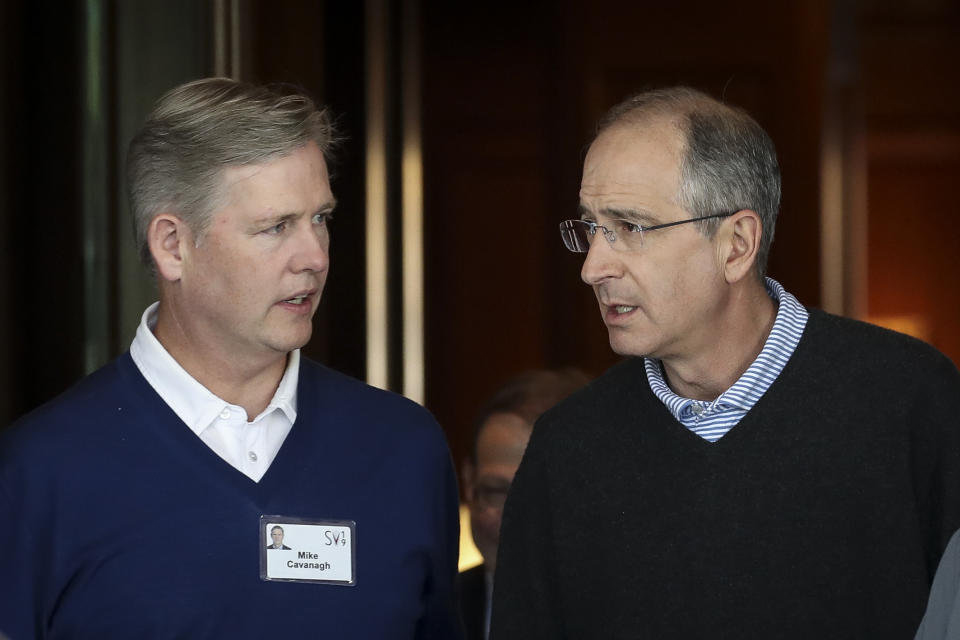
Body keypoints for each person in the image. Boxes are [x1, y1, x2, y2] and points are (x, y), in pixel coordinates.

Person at [490, 86, 960, 639]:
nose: (593, 267)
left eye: (630, 228)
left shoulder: (913, 401)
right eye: (592, 228)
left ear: (736, 244)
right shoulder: (567, 448)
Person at [0, 78, 461, 639]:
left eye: (321, 218)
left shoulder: (403, 448)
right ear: (172, 246)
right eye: (276, 227)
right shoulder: (37, 471)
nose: (314, 256)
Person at [459, 369, 588, 640]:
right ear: (469, 485)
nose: (513, 520)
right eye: (495, 491)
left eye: (542, 495)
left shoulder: (647, 614)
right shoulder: (427, 614)